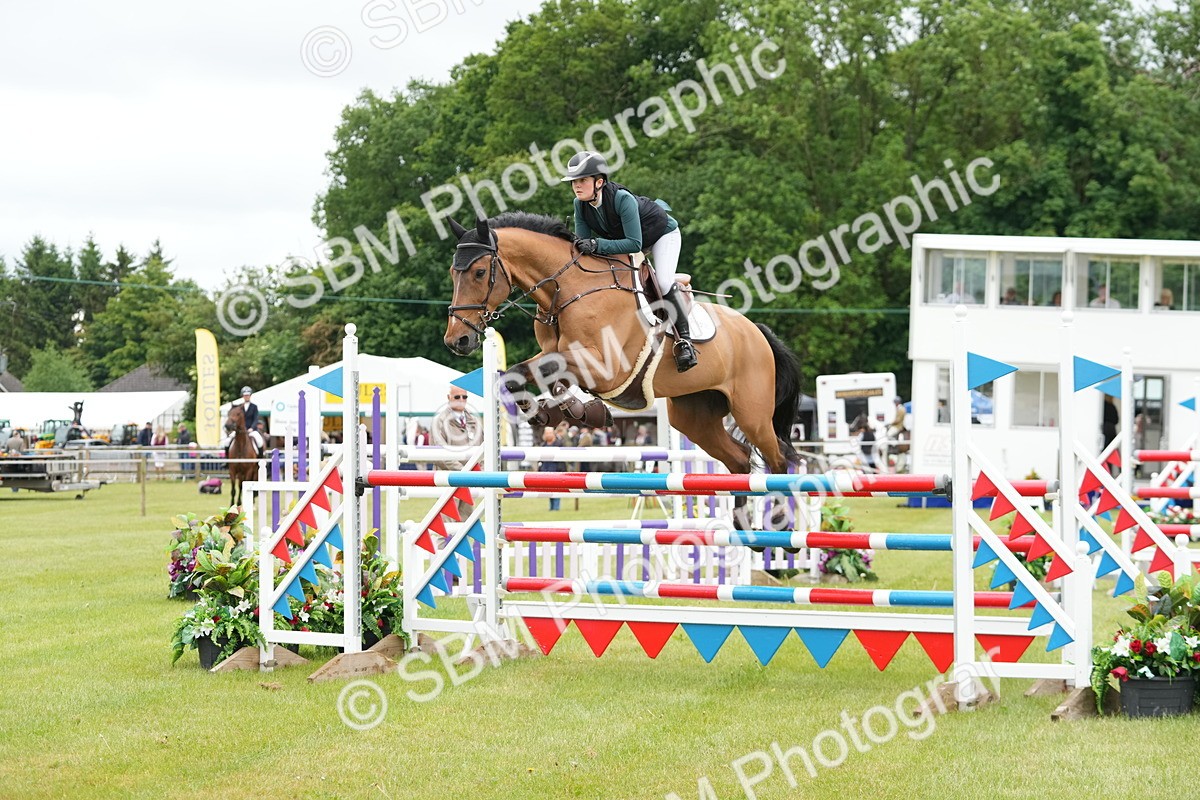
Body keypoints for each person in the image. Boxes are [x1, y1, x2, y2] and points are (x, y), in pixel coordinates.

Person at [560, 150, 697, 372]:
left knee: (663, 282)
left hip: (662, 235)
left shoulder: (622, 199)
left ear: (599, 182)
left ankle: (685, 342)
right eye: (574, 181)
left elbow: (634, 243)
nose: (576, 186)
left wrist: (597, 244)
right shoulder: (580, 204)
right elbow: (584, 245)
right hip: (628, 241)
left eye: (582, 180)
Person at [431, 385, 482, 470]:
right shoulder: (439, 422)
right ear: (449, 397)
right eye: (457, 397)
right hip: (450, 476)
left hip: (475, 475)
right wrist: (464, 472)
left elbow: (484, 450)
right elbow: (440, 455)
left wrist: (481, 471)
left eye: (464, 397)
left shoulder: (475, 422)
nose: (461, 400)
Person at [225, 387, 265, 456]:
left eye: (248, 395)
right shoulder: (239, 407)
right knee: (227, 442)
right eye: (245, 395)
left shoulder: (254, 407)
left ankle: (260, 458)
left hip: (251, 430)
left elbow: (255, 419)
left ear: (250, 396)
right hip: (239, 430)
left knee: (259, 441)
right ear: (243, 396)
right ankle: (227, 459)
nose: (246, 397)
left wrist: (252, 428)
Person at [536, 426, 566, 511]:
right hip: (546, 468)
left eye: (550, 433)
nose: (548, 435)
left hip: (556, 469)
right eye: (546, 433)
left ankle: (556, 507)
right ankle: (551, 507)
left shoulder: (559, 444)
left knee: (557, 489)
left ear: (553, 434)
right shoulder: (543, 445)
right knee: (549, 489)